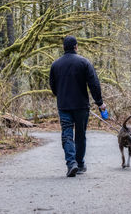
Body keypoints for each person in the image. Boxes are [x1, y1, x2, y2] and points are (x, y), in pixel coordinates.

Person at [49, 35, 106, 177]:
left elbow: (53, 86)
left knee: (67, 135)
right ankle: (79, 163)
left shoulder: (55, 65)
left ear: (64, 47)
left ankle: (71, 163)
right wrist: (99, 103)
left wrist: (60, 94)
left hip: (64, 106)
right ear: (76, 46)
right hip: (81, 106)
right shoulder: (84, 63)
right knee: (80, 135)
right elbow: (94, 84)